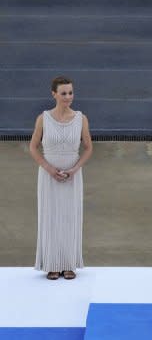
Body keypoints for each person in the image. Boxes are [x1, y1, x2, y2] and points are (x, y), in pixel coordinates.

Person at [29, 76, 93, 280]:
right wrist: (48, 168)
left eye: (71, 93)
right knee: (50, 216)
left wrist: (75, 169)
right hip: (49, 176)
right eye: (64, 93)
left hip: (72, 176)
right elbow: (33, 146)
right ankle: (51, 264)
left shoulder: (81, 118)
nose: (68, 97)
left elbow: (89, 147)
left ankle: (68, 264)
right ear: (54, 94)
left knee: (70, 217)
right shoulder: (43, 118)